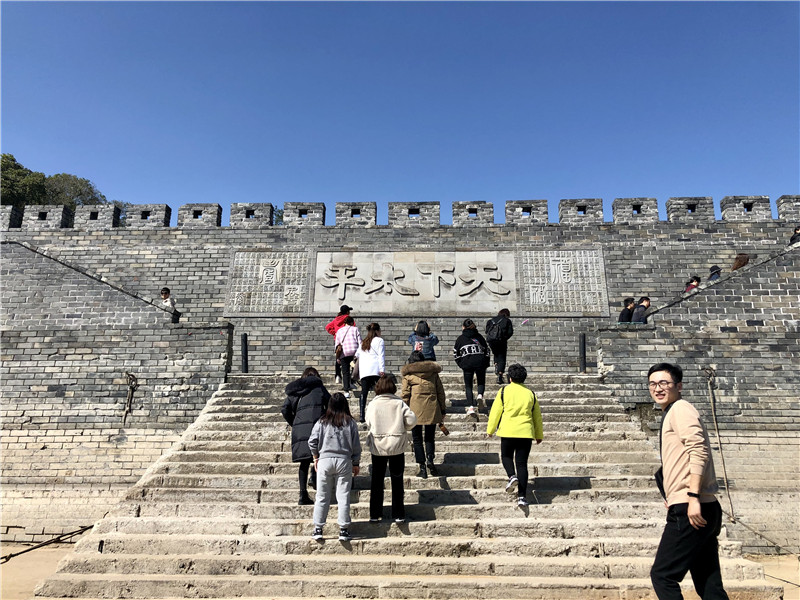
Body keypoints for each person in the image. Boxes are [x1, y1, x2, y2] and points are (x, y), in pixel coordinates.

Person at [647, 363, 729, 600]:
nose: (658, 388)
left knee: (663, 576)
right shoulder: (673, 411)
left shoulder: (680, 409)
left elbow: (699, 450)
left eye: (664, 383)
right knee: (708, 583)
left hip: (691, 507)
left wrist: (692, 496)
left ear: (679, 386)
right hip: (700, 505)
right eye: (653, 384)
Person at [486, 364, 543, 508]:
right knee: (522, 464)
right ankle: (522, 497)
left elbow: (495, 411)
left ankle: (512, 476)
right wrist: (539, 435)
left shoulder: (504, 391)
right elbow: (537, 416)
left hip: (508, 431)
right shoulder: (530, 393)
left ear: (510, 378)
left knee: (506, 456)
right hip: (525, 432)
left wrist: (490, 430)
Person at [307, 392, 361, 542]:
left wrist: (315, 457)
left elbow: (312, 441)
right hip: (344, 460)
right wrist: (356, 462)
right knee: (343, 496)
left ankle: (318, 528)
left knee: (322, 496)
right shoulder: (350, 422)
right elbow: (356, 445)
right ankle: (343, 529)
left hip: (325, 460)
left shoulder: (322, 421)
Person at [365, 374, 417, 523]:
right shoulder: (399, 403)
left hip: (378, 445)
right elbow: (412, 420)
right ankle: (398, 513)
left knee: (377, 480)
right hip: (396, 445)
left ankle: (375, 514)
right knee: (397, 479)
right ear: (393, 388)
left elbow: (368, 421)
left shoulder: (373, 404)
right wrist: (403, 426)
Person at [281, 367, 331, 505]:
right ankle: (315, 480)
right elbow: (330, 405)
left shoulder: (296, 390)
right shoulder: (319, 388)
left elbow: (284, 409)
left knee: (304, 462)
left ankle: (303, 494)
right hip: (317, 428)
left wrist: (294, 422)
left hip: (300, 429)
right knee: (318, 457)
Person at [401, 350, 446, 479]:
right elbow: (440, 393)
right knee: (430, 438)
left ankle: (422, 466)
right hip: (432, 408)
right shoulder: (433, 374)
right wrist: (443, 410)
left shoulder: (408, 376)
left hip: (415, 411)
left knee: (417, 439)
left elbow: (405, 395)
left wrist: (403, 411)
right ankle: (430, 460)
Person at [453, 318, 490, 421]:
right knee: (481, 382)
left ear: (463, 327)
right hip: (480, 362)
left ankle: (471, 407)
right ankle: (480, 395)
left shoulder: (460, 339)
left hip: (467, 364)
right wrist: (486, 362)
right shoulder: (479, 337)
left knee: (468, 386)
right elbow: (487, 350)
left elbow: (456, 353)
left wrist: (461, 363)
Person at [355, 323, 385, 424]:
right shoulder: (379, 341)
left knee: (364, 392)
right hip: (375, 370)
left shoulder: (364, 342)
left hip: (364, 371)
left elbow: (357, 354)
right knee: (379, 392)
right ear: (376, 331)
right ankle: (379, 413)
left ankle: (362, 415)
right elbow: (381, 355)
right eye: (379, 330)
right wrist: (382, 369)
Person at [325, 305, 354, 385]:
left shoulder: (336, 319)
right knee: (349, 359)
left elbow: (328, 327)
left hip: (338, 341)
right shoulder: (348, 319)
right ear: (347, 312)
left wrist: (335, 333)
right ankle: (350, 379)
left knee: (338, 358)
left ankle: (338, 376)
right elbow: (353, 328)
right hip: (347, 341)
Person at [334, 316, 361, 397]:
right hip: (354, 352)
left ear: (344, 323)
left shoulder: (339, 331)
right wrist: (359, 353)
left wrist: (338, 357)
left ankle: (346, 391)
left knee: (345, 372)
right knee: (354, 369)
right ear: (352, 322)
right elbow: (360, 342)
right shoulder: (355, 329)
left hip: (344, 353)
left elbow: (337, 344)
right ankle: (352, 382)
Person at [485, 309, 514, 384]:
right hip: (501, 341)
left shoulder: (491, 320)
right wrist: (505, 337)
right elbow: (510, 332)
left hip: (492, 341)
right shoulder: (507, 321)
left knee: (496, 353)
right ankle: (500, 375)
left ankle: (496, 365)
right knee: (502, 357)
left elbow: (487, 331)